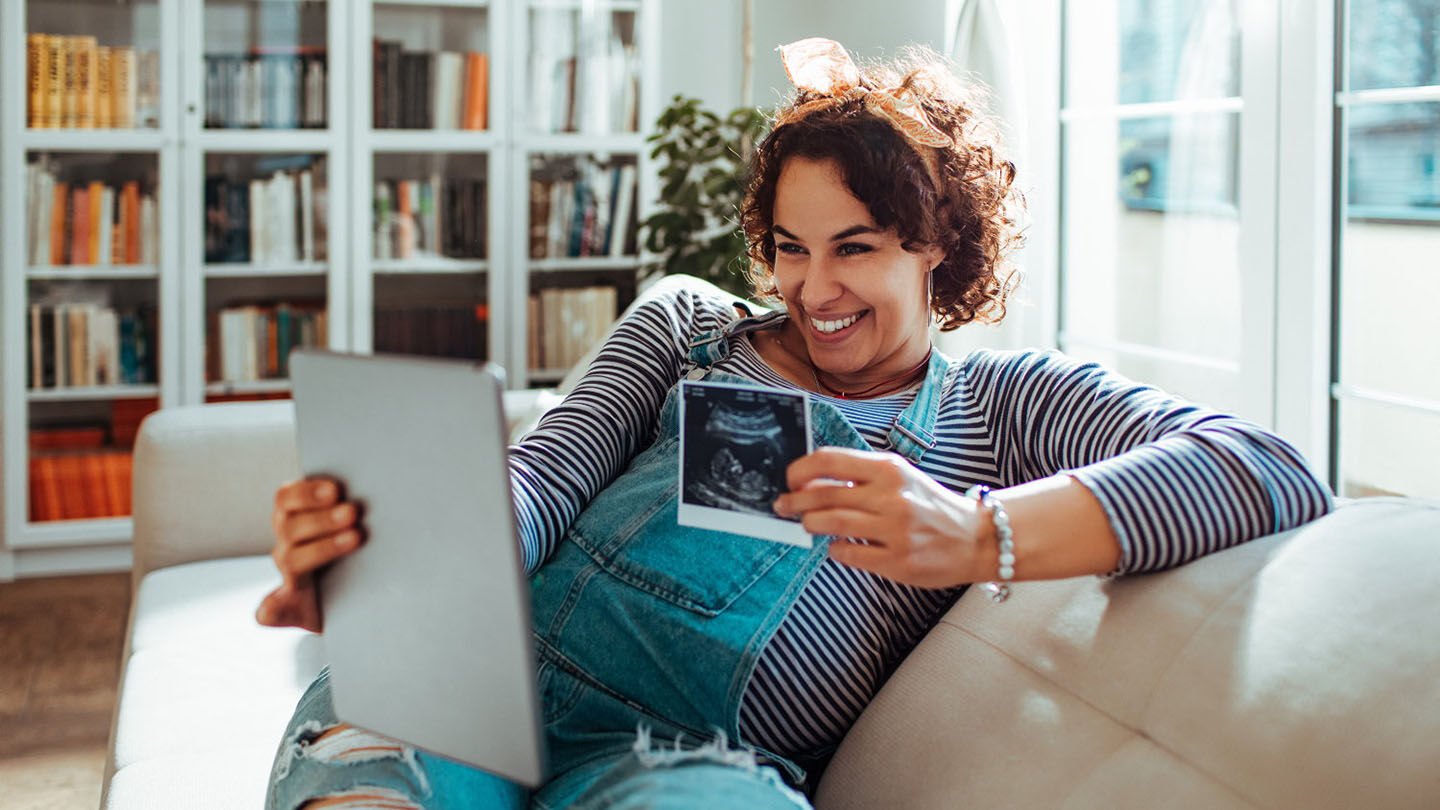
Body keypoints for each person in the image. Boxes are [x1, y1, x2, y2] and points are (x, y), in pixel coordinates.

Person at [258, 37, 1333, 810]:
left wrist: (977, 535)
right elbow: (541, 477)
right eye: (789, 246)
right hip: (468, 678)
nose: (813, 288)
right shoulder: (690, 326)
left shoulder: (1002, 406)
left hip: (682, 766)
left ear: (937, 243)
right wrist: (407, 550)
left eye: (854, 246)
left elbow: (1266, 466)